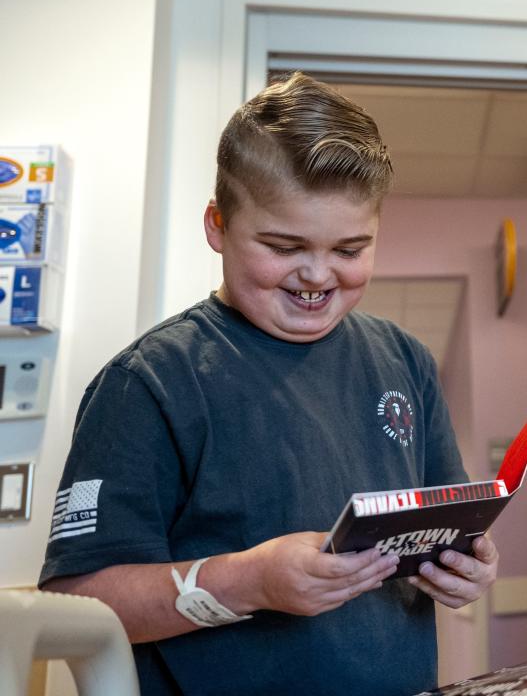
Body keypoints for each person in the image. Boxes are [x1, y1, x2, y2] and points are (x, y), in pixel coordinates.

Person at [39, 72, 497, 694]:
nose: (317, 275)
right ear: (217, 226)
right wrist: (247, 582)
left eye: (350, 248)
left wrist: (463, 567)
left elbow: (449, 530)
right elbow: (74, 605)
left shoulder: (406, 361)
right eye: (283, 245)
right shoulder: (148, 383)